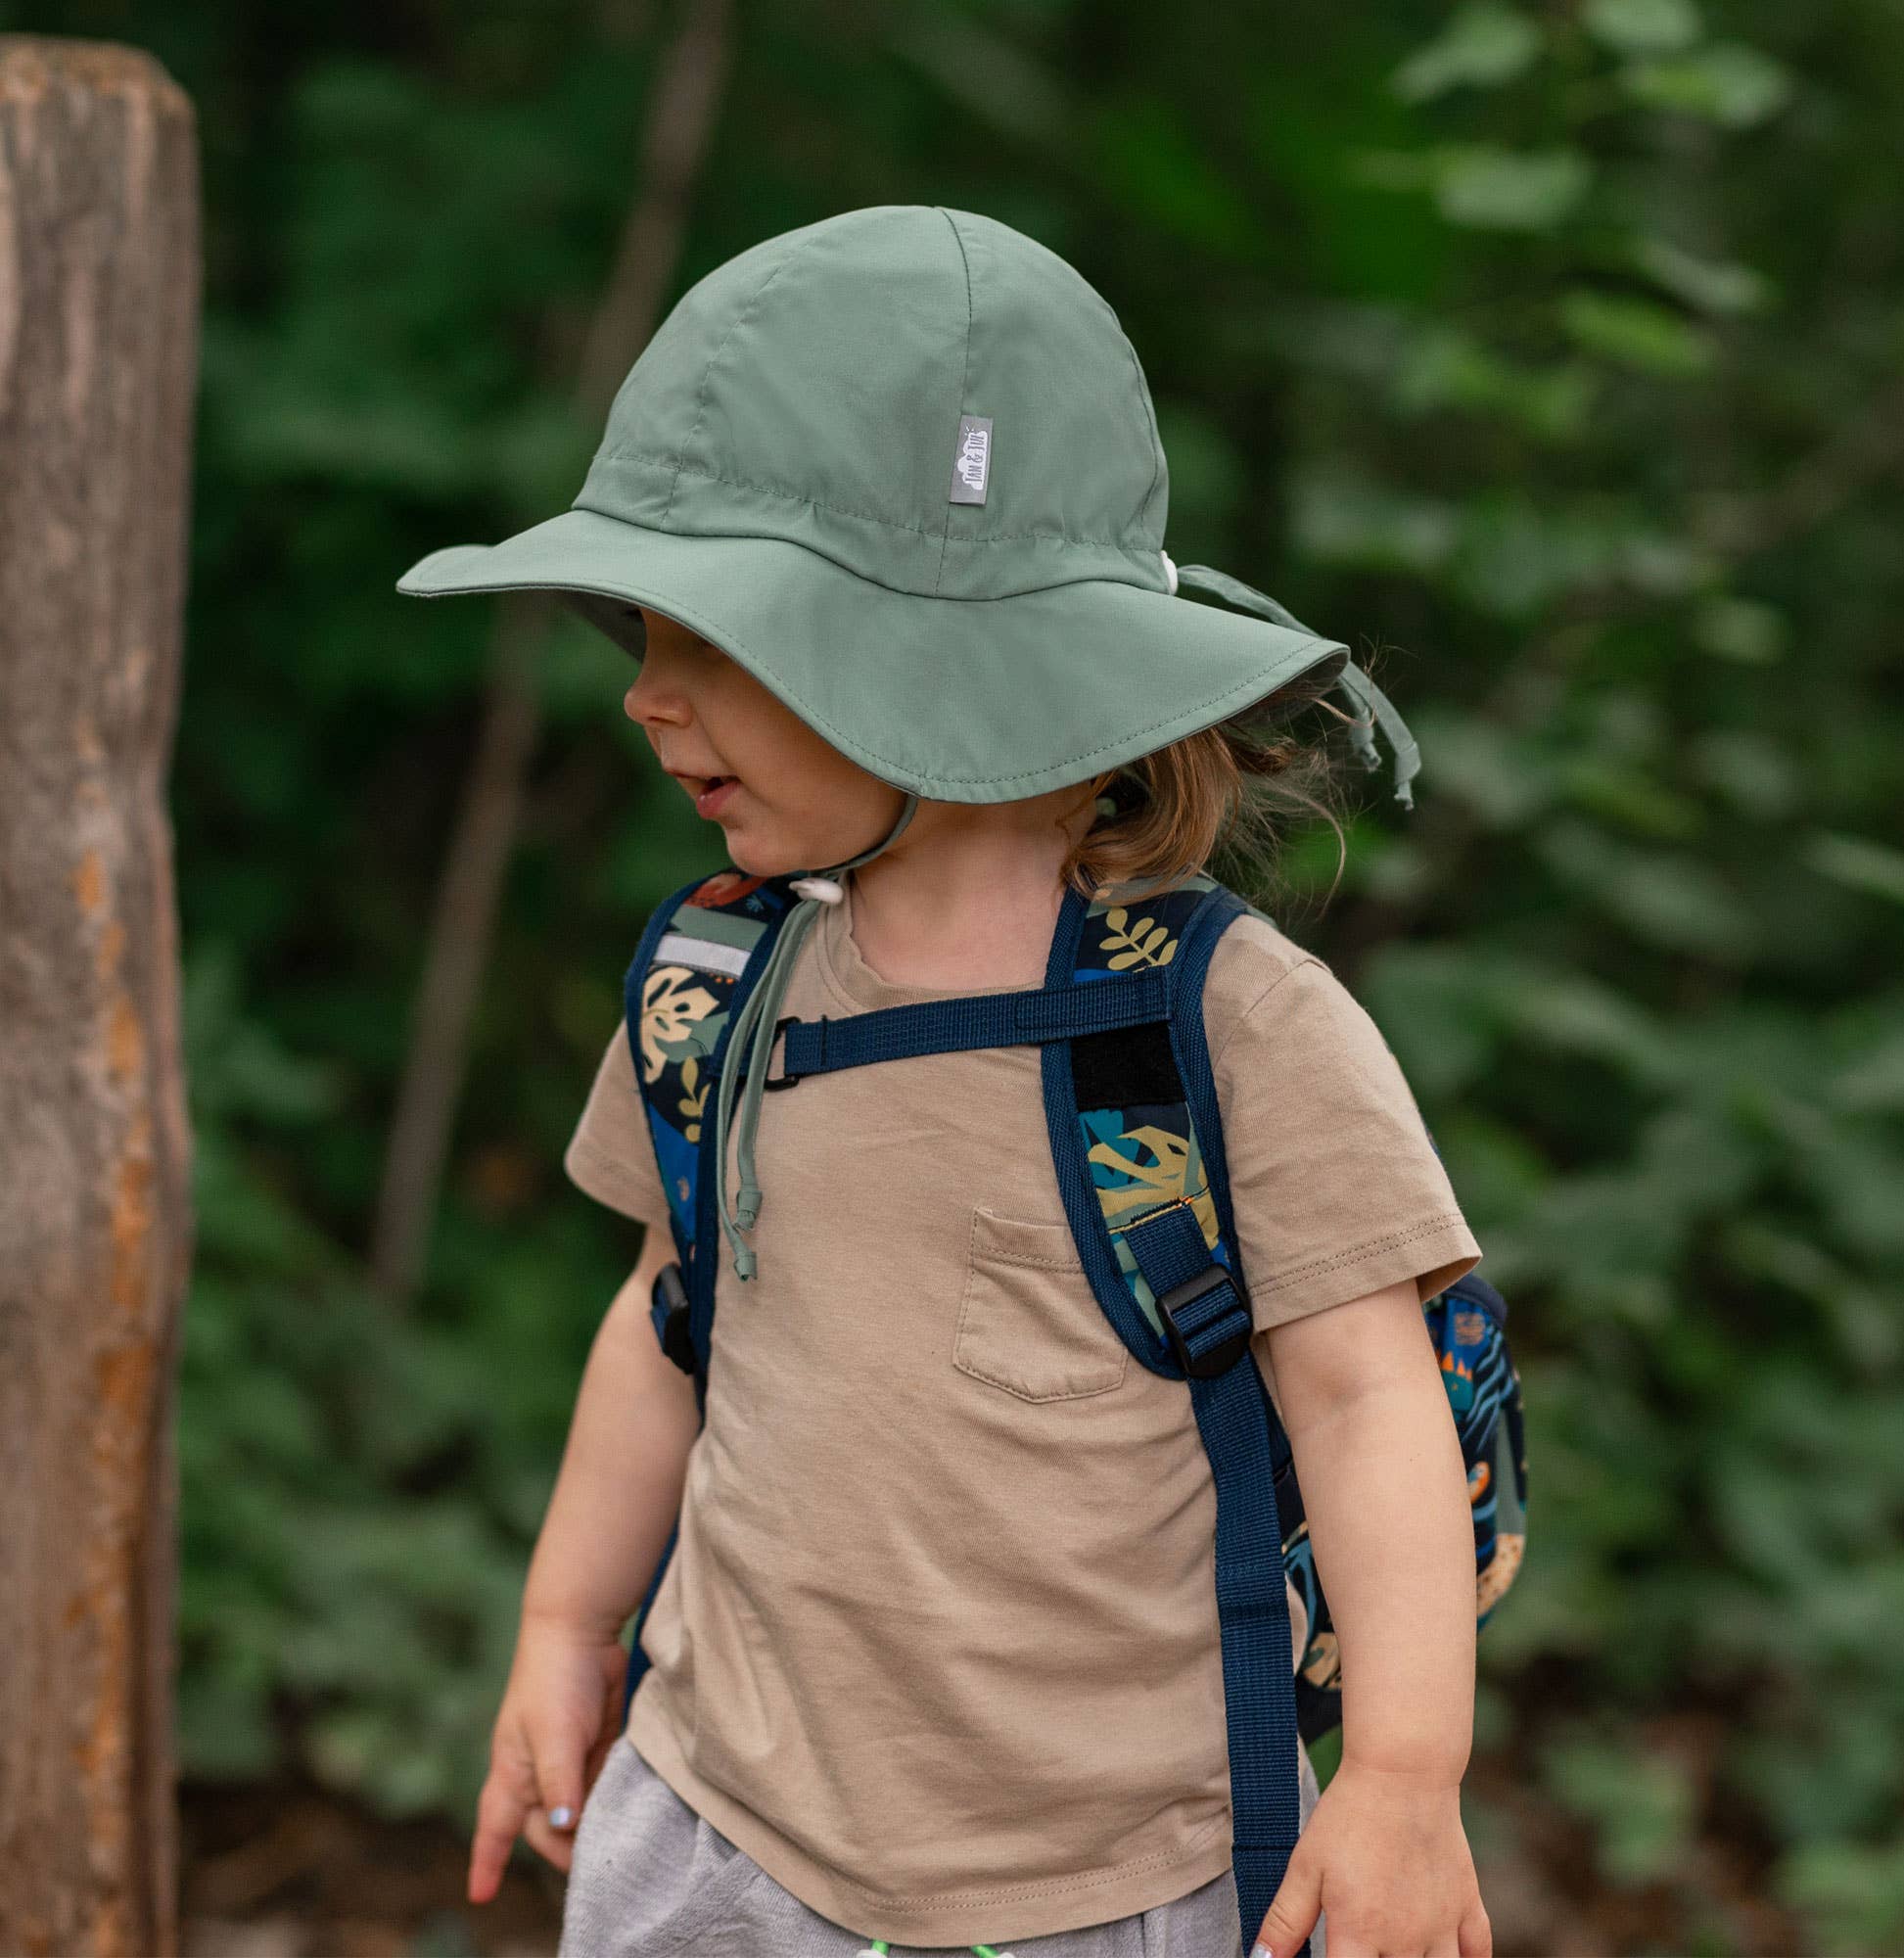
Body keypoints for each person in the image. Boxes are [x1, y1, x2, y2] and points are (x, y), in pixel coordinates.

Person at [396, 204, 1495, 1958]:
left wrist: (1405, 1780)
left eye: (715, 640)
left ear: (941, 652)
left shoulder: (1222, 1030)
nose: (646, 702)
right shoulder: (724, 983)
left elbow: (1375, 1407)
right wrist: (559, 1629)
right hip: (715, 1835)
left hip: (1098, 1886)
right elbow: (667, 1319)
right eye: (641, 634)